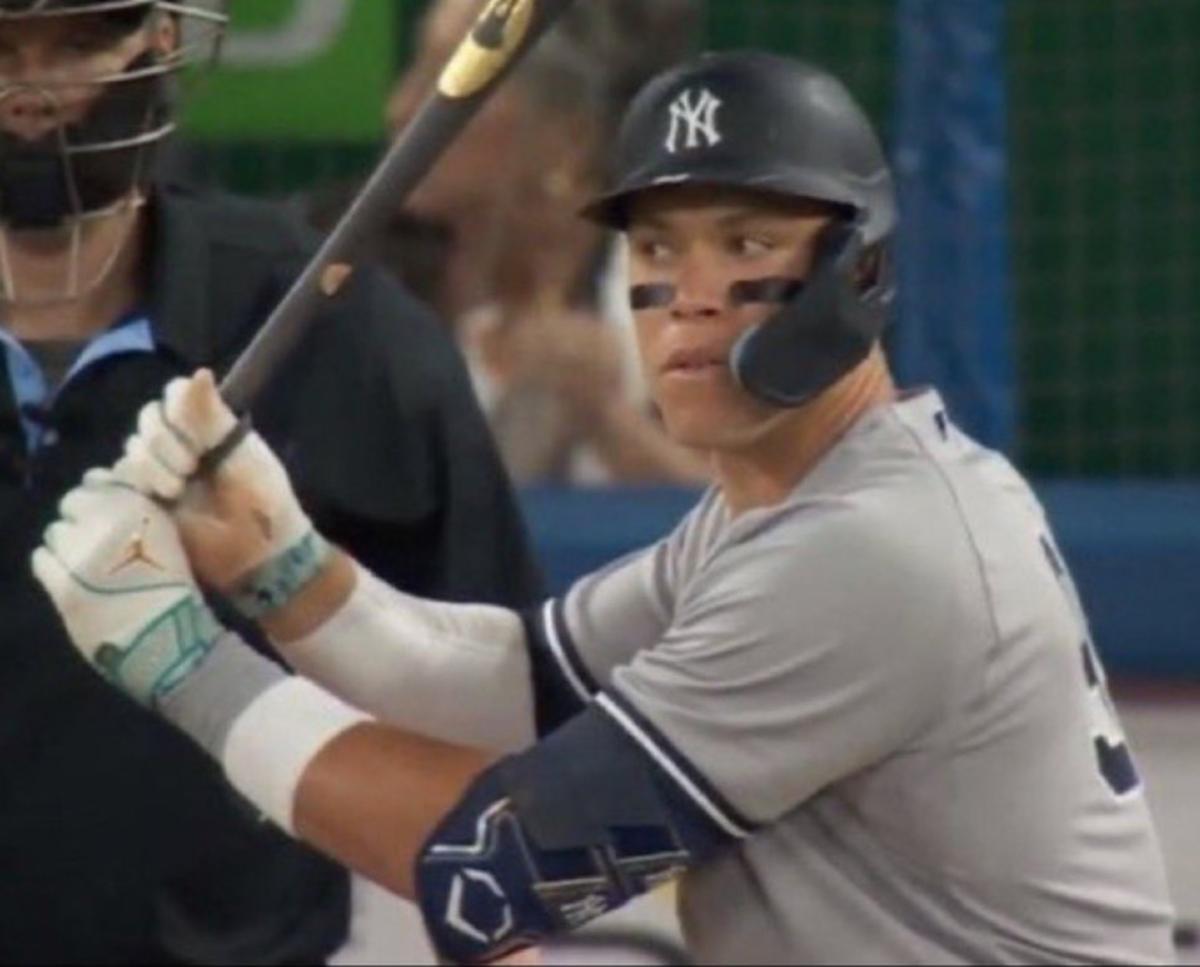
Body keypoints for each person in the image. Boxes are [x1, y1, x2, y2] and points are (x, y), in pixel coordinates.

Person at [32, 51, 1177, 964]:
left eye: (749, 245)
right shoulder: (789, 503)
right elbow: (518, 691)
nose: (691, 300)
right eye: (660, 250)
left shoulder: (873, 549)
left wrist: (183, 662)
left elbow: (495, 869)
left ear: (859, 271)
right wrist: (283, 566)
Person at [0, 1, 541, 961]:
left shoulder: (333, 333)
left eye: (82, 41)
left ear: (162, 42)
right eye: (0, 49)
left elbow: (491, 737)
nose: (36, 93)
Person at [334, 0, 711, 486]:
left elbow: (768, 531)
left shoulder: (686, 301)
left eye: (448, 80)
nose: (400, 108)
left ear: (569, 138)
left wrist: (606, 421)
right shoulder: (338, 279)